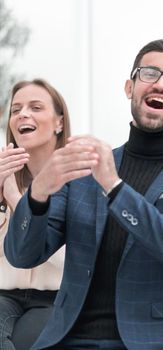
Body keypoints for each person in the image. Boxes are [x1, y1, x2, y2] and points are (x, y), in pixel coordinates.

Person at [3, 39, 163, 350]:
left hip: (155, 342)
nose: (162, 84)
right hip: (69, 338)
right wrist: (39, 194)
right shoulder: (83, 172)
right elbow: (23, 255)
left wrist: (115, 188)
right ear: (130, 87)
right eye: (150, 73)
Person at [0, 79, 70, 350]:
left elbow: (67, 259)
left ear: (59, 123)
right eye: (16, 110)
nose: (23, 114)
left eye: (35, 107)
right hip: (3, 296)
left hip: (54, 300)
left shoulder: (79, 182)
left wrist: (18, 201)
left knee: (32, 342)